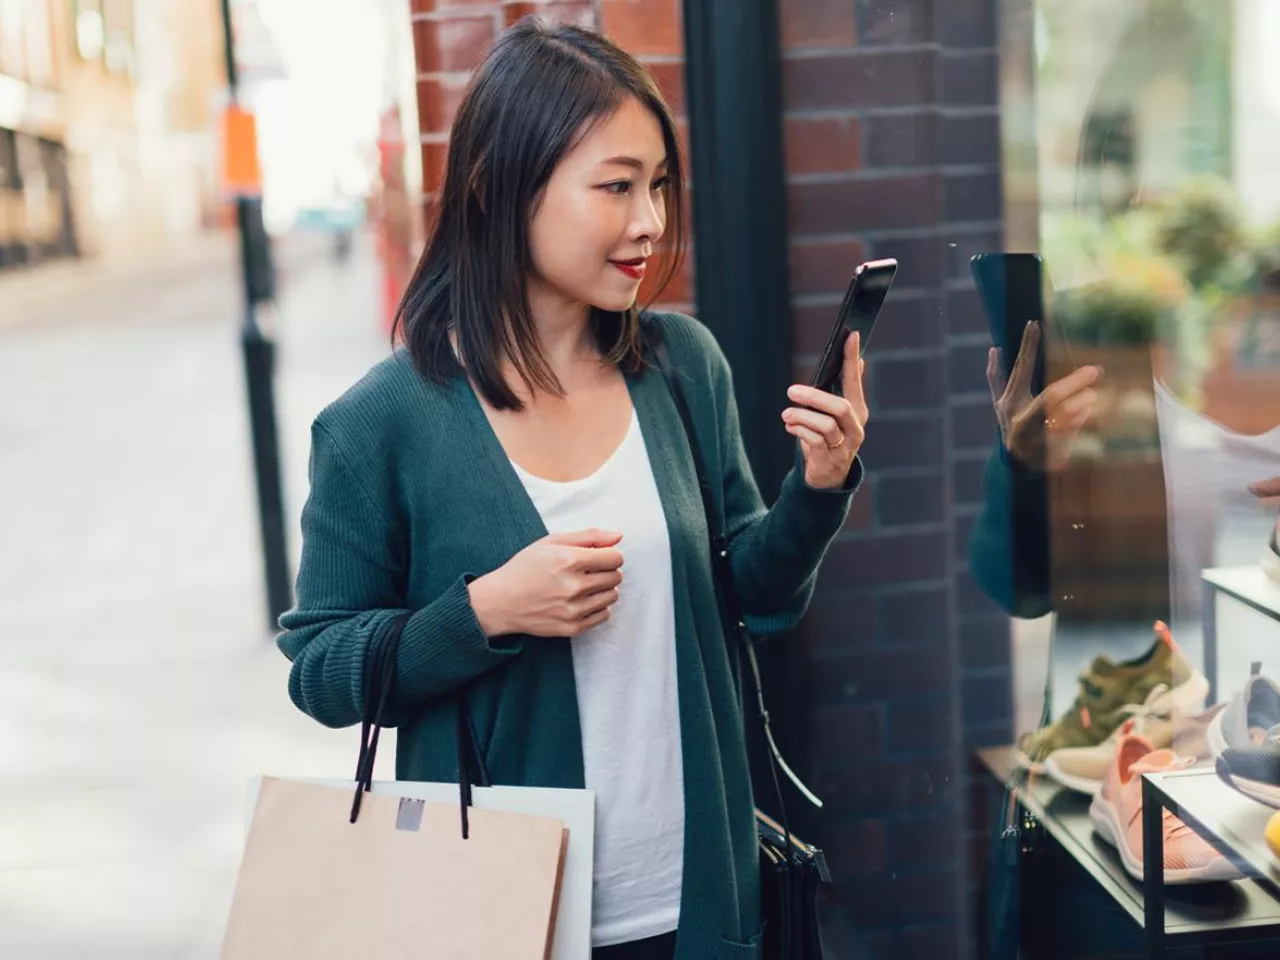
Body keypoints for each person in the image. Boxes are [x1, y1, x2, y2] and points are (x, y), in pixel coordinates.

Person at [275, 19, 866, 960]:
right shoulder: (379, 425)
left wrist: (820, 487)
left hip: (700, 902)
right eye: (616, 186)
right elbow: (320, 671)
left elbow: (754, 600)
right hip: (505, 913)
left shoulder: (682, 367)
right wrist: (485, 611)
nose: (652, 221)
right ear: (496, 187)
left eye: (658, 185)